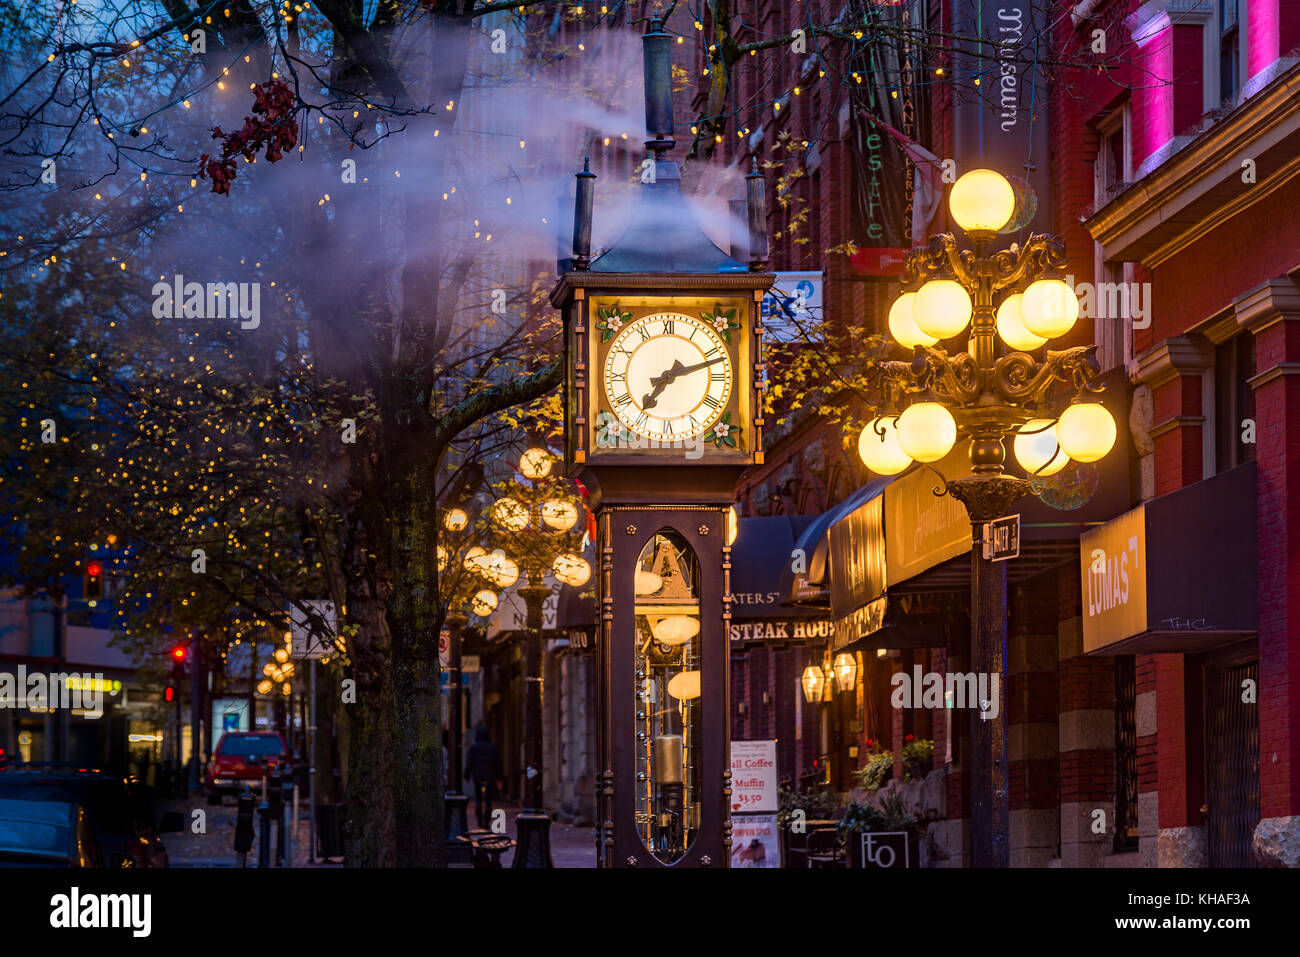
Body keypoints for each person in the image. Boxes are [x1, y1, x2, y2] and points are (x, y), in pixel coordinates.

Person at [464, 725, 502, 830]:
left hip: (478, 776)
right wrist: (499, 778)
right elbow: (498, 764)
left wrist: (466, 776)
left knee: (479, 798)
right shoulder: (493, 748)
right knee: (488, 799)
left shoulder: (473, 748)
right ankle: (487, 821)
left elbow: (469, 763)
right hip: (490, 777)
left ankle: (479, 819)